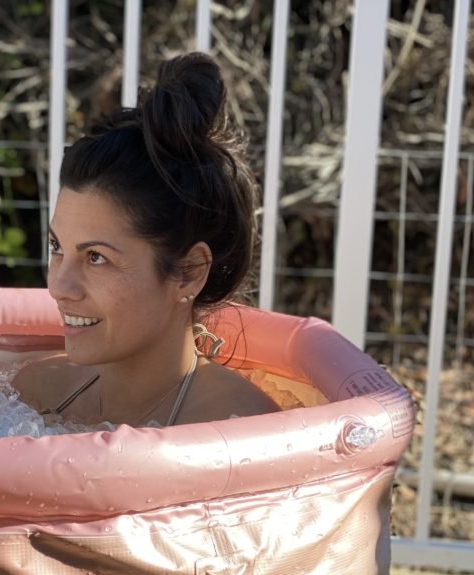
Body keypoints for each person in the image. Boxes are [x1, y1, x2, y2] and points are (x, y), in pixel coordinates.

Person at [14, 52, 280, 427]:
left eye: (95, 258)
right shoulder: (33, 395)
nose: (59, 286)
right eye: (57, 247)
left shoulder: (240, 430)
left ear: (188, 272)